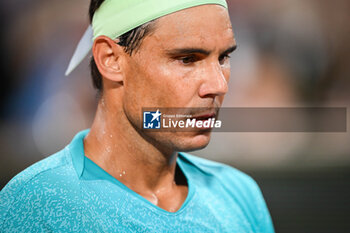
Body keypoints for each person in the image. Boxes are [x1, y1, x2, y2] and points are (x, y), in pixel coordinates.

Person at [0, 0, 275, 232]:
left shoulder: (241, 196)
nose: (219, 85)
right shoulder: (33, 205)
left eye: (223, 58)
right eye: (187, 59)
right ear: (111, 59)